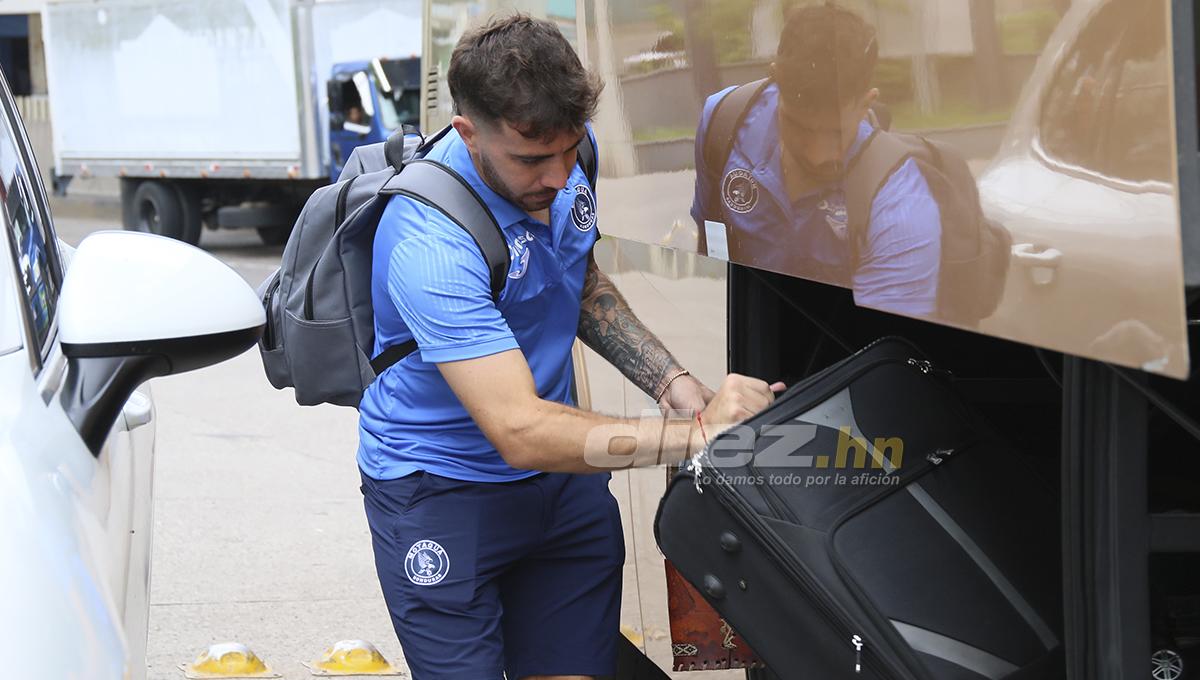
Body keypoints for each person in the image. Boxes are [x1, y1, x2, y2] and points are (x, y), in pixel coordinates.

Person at [358, 14, 783, 680]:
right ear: (469, 133)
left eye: (569, 150)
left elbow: (572, 277)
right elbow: (520, 430)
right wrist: (699, 434)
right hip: (442, 492)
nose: (559, 177)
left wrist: (670, 382)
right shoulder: (429, 241)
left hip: (563, 488)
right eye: (532, 158)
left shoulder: (564, 154)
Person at [692, 2, 943, 317]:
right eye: (797, 127)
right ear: (775, 82)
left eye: (835, 133)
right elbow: (711, 238)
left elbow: (884, 348)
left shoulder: (900, 206)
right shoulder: (723, 123)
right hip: (747, 332)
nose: (816, 153)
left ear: (867, 103)